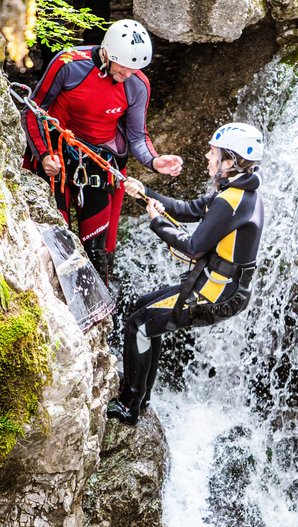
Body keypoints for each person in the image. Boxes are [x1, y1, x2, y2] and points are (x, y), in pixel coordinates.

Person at [107, 122, 265, 425]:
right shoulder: (236, 191)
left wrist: (156, 222)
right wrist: (144, 192)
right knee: (141, 309)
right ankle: (141, 397)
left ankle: (130, 405)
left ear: (229, 162)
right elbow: (186, 209)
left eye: (214, 153)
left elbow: (193, 247)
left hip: (220, 293)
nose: (207, 156)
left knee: (139, 323)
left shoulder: (231, 201)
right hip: (216, 285)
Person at [21, 19, 183, 284]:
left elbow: (137, 136)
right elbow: (34, 110)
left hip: (99, 163)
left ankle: (99, 311)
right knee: (55, 236)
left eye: (135, 69)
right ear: (108, 53)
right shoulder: (69, 64)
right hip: (57, 155)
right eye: (124, 67)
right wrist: (43, 155)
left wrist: (155, 162)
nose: (128, 74)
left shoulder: (137, 85)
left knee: (98, 249)